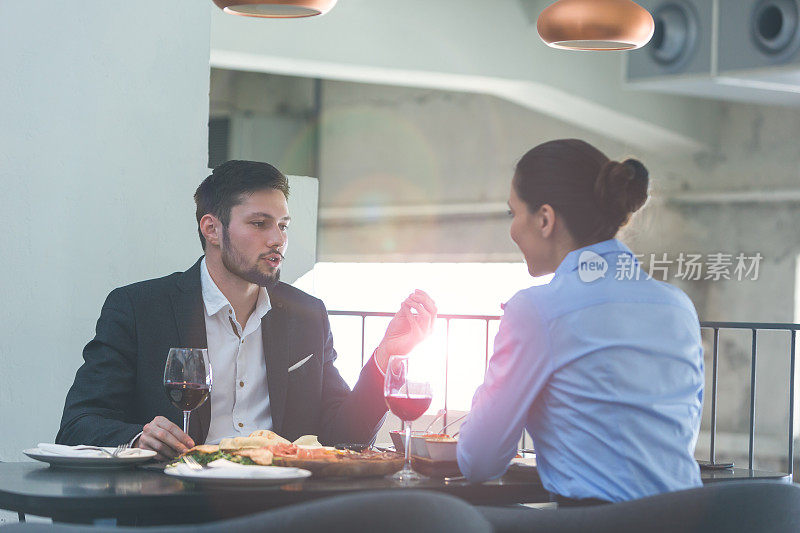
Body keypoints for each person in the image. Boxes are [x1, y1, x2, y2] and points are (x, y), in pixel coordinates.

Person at [57, 160, 437, 460]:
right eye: (259, 224)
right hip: (174, 504)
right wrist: (139, 437)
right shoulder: (139, 309)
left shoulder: (307, 316)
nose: (277, 240)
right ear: (212, 229)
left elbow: (343, 439)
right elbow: (78, 424)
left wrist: (387, 356)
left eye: (283, 226)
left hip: (280, 507)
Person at [457, 139, 704, 503]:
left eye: (514, 214)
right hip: (695, 520)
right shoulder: (680, 307)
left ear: (544, 219)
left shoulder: (536, 311)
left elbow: (479, 461)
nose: (511, 230)